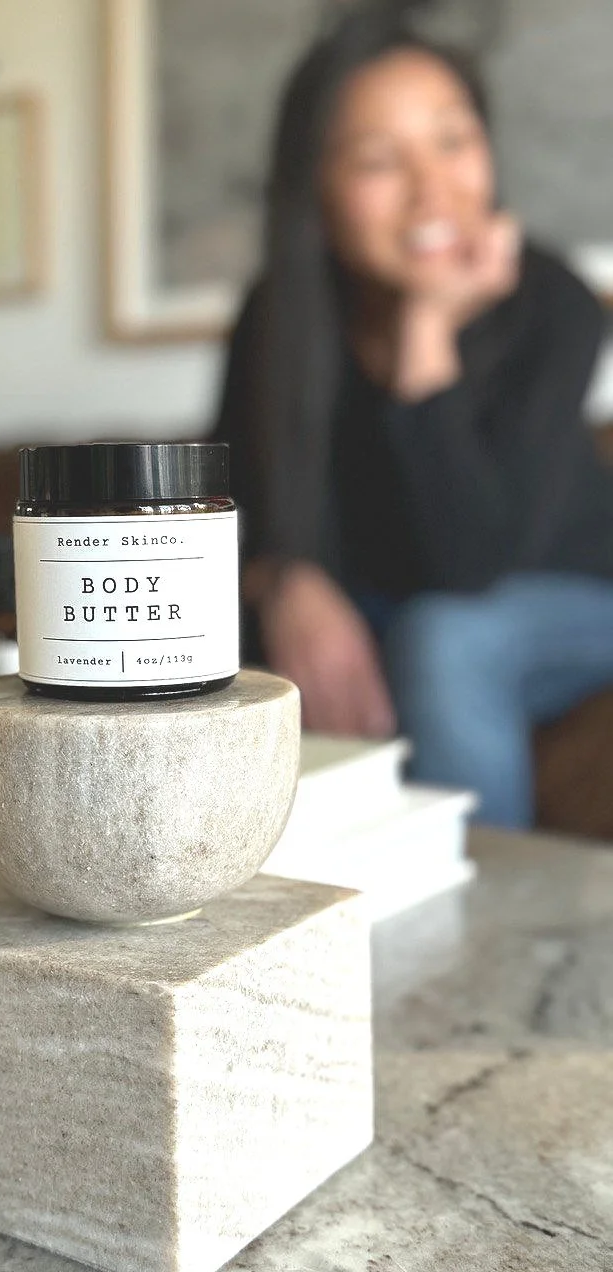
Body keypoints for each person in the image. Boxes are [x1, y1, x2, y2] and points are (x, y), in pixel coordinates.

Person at [214, 0, 613, 828]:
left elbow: (468, 562)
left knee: (444, 638)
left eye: (452, 141)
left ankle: (481, 907)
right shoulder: (279, 317)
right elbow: (223, 501)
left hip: (570, 599)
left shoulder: (556, 303)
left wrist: (423, 336)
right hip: (387, 602)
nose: (433, 189)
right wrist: (283, 576)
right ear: (315, 188)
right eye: (377, 160)